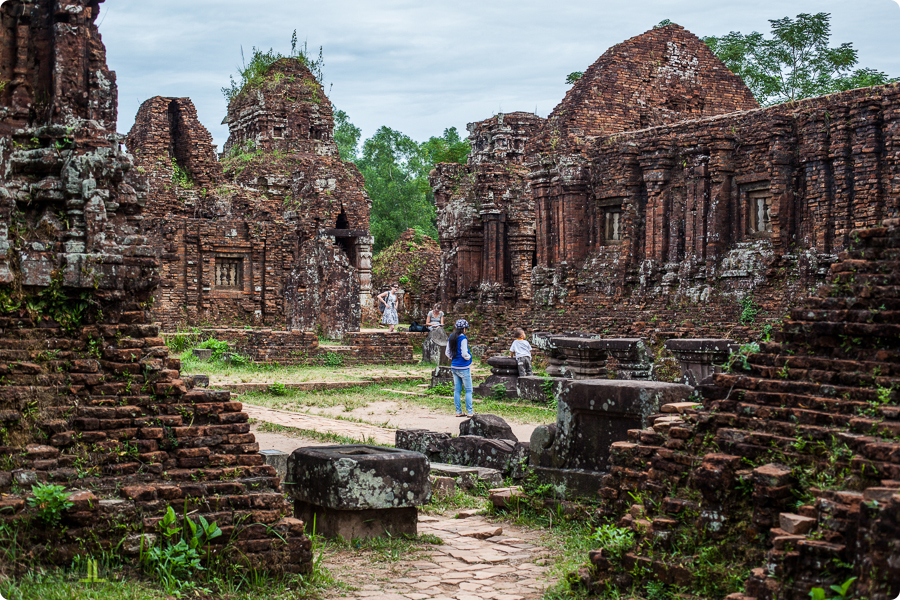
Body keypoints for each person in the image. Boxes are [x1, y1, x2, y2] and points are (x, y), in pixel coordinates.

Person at [446, 319, 474, 418]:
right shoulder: (463, 338)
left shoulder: (451, 337)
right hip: (463, 367)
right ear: (464, 329)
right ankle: (470, 412)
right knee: (468, 390)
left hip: (454, 366)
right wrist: (469, 357)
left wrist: (454, 359)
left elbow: (447, 353)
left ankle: (458, 411)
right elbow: (464, 353)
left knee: (457, 390)